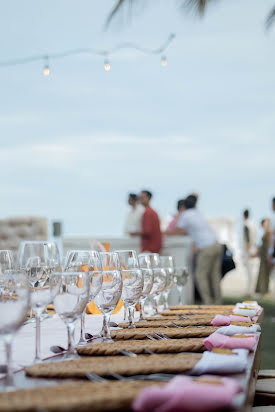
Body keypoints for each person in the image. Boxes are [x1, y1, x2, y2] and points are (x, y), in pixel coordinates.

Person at [172, 197, 222, 304]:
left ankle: (208, 302)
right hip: (217, 244)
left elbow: (176, 230)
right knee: (214, 275)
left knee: (200, 275)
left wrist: (180, 214)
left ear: (183, 207)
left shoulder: (186, 214)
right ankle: (218, 301)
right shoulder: (198, 212)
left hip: (206, 247)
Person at [255, 218, 272, 296]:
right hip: (263, 255)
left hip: (267, 255)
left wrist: (269, 256)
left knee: (265, 273)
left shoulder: (269, 233)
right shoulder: (266, 232)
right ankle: (262, 290)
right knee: (263, 273)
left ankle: (264, 291)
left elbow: (270, 245)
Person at [242, 209, 257, 296]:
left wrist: (248, 251)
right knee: (251, 272)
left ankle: (249, 291)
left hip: (248, 250)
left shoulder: (246, 225)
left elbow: (247, 239)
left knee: (249, 272)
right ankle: (250, 290)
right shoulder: (253, 224)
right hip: (253, 248)